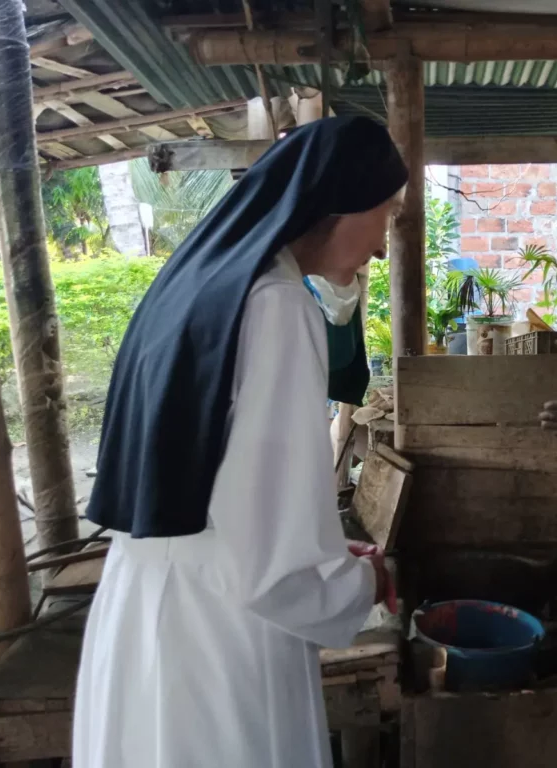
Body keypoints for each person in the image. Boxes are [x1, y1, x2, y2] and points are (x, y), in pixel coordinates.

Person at [73, 116, 407, 768]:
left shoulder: (204, 283)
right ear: (338, 204)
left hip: (150, 605)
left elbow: (217, 484)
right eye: (385, 215)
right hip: (218, 636)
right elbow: (274, 574)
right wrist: (356, 581)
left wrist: (326, 549)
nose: (382, 247)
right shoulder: (279, 307)